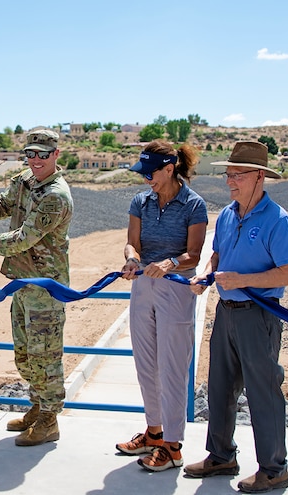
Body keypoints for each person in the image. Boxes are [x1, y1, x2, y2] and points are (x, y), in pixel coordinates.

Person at [185, 141, 288, 493]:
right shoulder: (229, 214)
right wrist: (205, 275)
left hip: (259, 316)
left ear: (259, 177)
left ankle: (274, 468)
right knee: (220, 388)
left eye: (237, 175)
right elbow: (216, 255)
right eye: (228, 174)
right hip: (226, 313)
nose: (229, 181)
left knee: (263, 392)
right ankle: (221, 456)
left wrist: (244, 281)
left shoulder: (277, 221)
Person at [0, 128, 73, 447]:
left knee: (45, 355)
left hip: (45, 288)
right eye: (30, 154)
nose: (35, 160)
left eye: (43, 154)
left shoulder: (55, 195)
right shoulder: (25, 180)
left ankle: (50, 419)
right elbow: (4, 204)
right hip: (22, 283)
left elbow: (22, 239)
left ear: (56, 156)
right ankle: (38, 407)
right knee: (25, 354)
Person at [114, 141, 207, 472]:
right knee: (146, 363)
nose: (145, 180)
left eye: (149, 173)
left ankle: (173, 446)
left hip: (176, 288)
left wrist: (169, 263)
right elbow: (132, 243)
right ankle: (154, 433)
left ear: (169, 169)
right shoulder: (140, 201)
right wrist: (131, 259)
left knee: (172, 367)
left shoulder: (194, 205)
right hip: (143, 286)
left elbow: (194, 255)